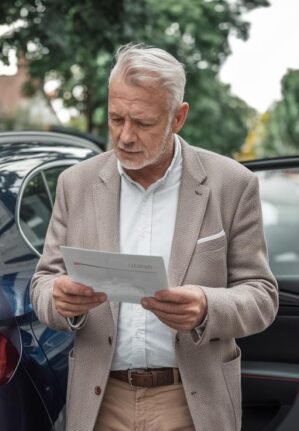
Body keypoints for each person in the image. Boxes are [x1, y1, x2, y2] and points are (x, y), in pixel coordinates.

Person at [30, 43, 278, 431]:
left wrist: (206, 306)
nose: (125, 136)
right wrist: (61, 300)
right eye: (116, 119)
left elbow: (262, 295)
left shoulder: (232, 184)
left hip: (191, 402)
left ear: (178, 117)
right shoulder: (74, 184)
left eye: (143, 123)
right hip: (100, 401)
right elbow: (42, 285)